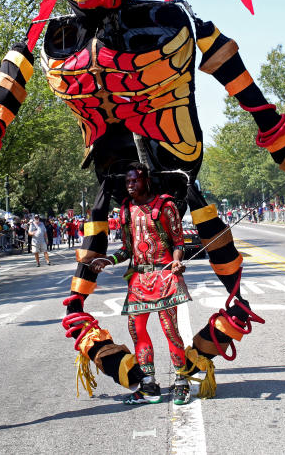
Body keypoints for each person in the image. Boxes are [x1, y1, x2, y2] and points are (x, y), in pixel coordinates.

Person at [91, 162, 192, 405]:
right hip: (138, 279)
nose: (130, 185)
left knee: (170, 330)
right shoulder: (126, 210)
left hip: (165, 276)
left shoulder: (165, 206)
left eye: (134, 181)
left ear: (146, 180)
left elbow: (178, 242)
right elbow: (127, 248)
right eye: (127, 182)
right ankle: (149, 384)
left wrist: (177, 262)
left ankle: (181, 381)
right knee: (137, 330)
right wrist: (108, 259)